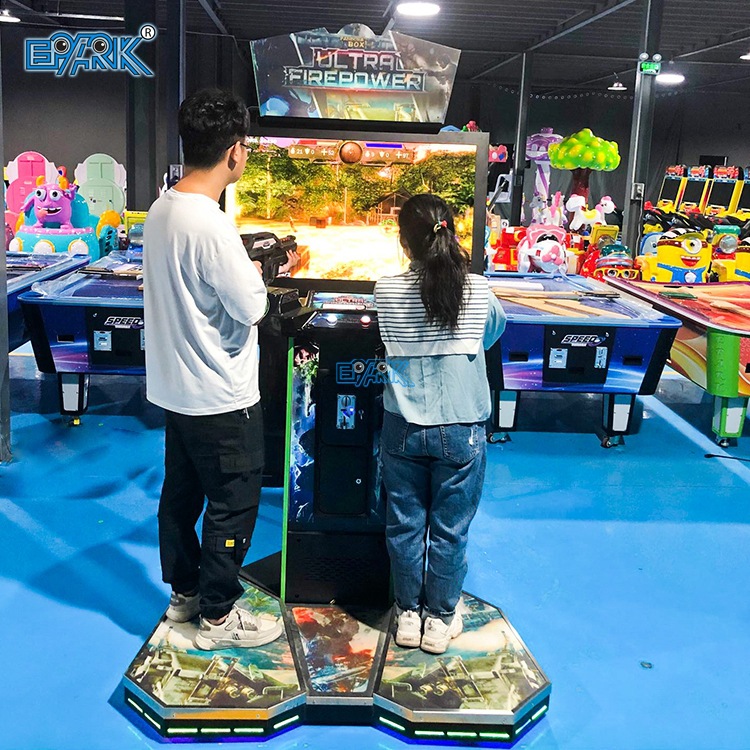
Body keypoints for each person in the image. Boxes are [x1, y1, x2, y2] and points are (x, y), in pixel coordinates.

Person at [143, 88, 283, 650]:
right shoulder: (212, 225)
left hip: (176, 390)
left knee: (180, 498)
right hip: (222, 395)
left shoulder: (162, 209)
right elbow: (251, 308)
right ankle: (219, 618)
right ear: (234, 151)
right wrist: (259, 274)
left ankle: (185, 595)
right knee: (233, 503)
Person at [374, 193, 506, 655]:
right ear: (451, 231)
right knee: (450, 530)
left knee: (404, 525)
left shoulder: (386, 290)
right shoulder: (478, 290)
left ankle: (408, 615)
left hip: (403, 426)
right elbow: (490, 335)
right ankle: (440, 619)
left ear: (404, 242)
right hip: (461, 426)